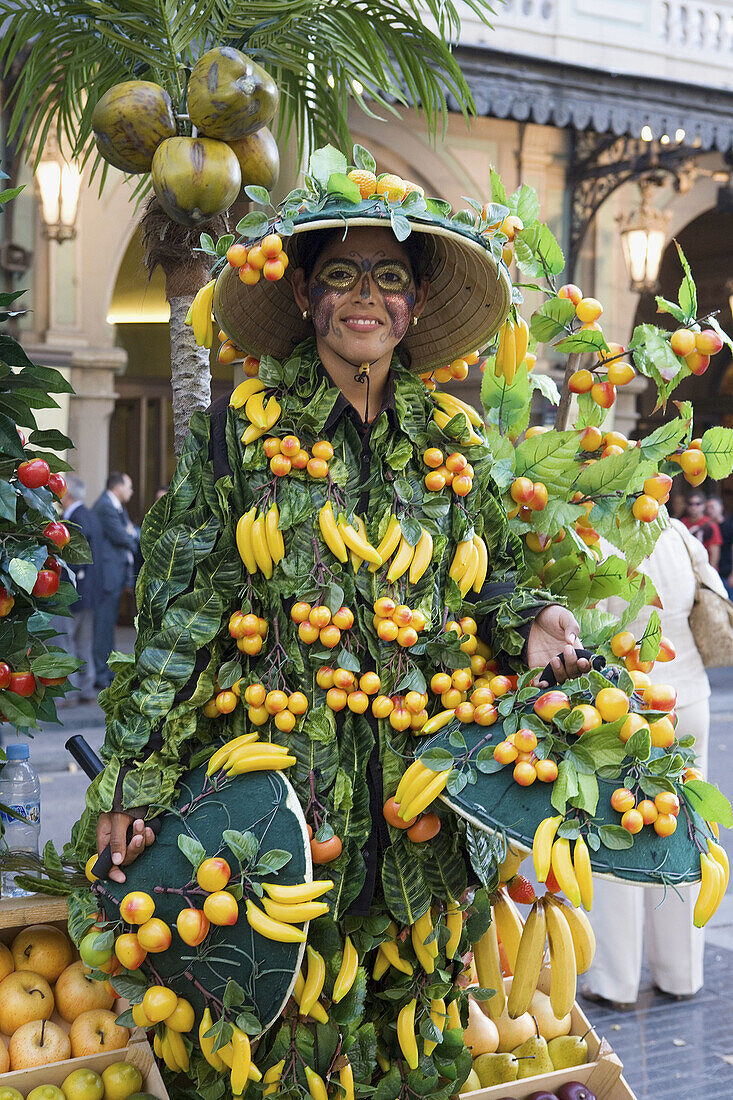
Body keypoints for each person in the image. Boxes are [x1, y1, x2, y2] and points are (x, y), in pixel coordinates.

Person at [93, 217, 588, 879]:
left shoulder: (452, 444)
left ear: (416, 302)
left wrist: (529, 620)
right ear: (303, 290)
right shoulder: (236, 438)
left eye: (390, 278)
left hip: (423, 797)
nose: (365, 295)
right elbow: (179, 616)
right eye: (339, 275)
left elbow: (486, 576)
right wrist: (133, 774)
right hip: (269, 796)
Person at [584, 517, 727, 1007]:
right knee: (685, 833)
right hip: (690, 702)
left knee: (619, 836)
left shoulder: (596, 540)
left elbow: (590, 629)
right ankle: (681, 972)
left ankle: (615, 980)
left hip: (630, 710)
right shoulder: (679, 534)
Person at [52, 475, 103, 704]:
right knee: (83, 643)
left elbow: (75, 560)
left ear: (66, 494)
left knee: (66, 643)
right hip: (88, 593)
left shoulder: (75, 520)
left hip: (71, 592)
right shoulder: (90, 515)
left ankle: (70, 692)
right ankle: (86, 688)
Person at [92, 472, 138, 689]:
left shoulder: (117, 507)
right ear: (118, 487)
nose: (132, 491)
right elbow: (123, 536)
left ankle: (107, 672)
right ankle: (101, 674)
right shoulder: (105, 506)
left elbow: (129, 533)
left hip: (115, 576)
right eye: (129, 486)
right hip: (107, 578)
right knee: (103, 627)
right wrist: (130, 536)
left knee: (108, 626)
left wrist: (130, 535)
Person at [682, 490, 722, 568]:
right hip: (687, 568)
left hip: (704, 567)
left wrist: (710, 572)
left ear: (703, 506)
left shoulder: (710, 525)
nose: (694, 507)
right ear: (687, 506)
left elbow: (715, 552)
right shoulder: (681, 523)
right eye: (691, 504)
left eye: (698, 504)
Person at [705, 496, 733, 596]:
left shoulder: (729, 526)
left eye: (712, 507)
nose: (709, 510)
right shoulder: (706, 526)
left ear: (721, 507)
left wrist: (732, 575)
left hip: (726, 573)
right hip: (712, 572)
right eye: (707, 507)